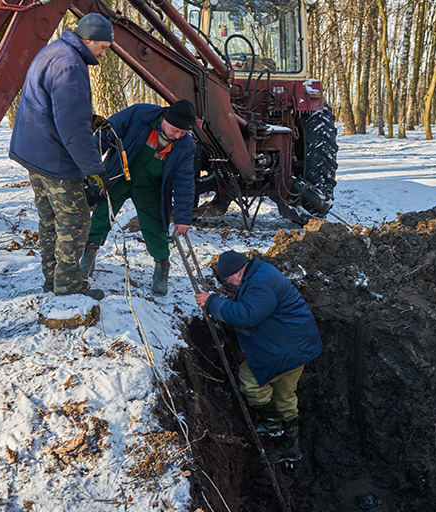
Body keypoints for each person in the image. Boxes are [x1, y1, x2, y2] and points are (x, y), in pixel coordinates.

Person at [9, 13, 114, 299]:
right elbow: (72, 128)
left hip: (33, 150)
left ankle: (52, 280)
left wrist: (88, 117)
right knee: (76, 221)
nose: (103, 54)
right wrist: (94, 168)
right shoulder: (70, 65)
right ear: (88, 39)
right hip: (53, 157)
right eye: (103, 47)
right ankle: (68, 288)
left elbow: (57, 105)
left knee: (49, 219)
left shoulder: (54, 50)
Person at [194, 250, 322, 463]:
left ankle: (271, 421)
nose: (229, 283)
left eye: (228, 279)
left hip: (286, 347)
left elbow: (245, 316)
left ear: (238, 271)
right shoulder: (259, 273)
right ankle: (291, 447)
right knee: (286, 395)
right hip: (296, 344)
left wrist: (212, 303)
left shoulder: (259, 284)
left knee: (249, 381)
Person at [79, 100, 197, 296]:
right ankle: (88, 258)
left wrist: (184, 217)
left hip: (150, 186)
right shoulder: (140, 115)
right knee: (102, 215)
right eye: (175, 130)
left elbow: (185, 181)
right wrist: (88, 167)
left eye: (183, 133)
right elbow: (105, 134)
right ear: (165, 118)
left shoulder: (185, 146)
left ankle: (161, 269)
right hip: (119, 176)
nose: (178, 136)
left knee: (156, 226)